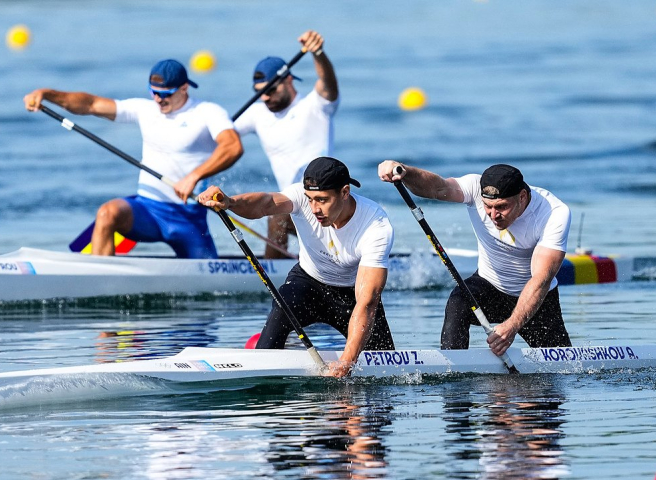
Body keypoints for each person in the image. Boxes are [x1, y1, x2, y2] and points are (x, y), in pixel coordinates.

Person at [24, 59, 243, 258]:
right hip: (148, 210)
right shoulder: (145, 109)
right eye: (154, 92)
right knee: (108, 213)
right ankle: (100, 276)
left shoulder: (207, 112)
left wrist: (194, 176)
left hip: (189, 218)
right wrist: (47, 94)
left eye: (166, 94)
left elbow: (232, 146)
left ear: (184, 88)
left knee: (212, 278)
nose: (158, 99)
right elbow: (91, 104)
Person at [199, 156, 394, 377]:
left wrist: (346, 362)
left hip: (353, 296)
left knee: (387, 371)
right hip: (307, 284)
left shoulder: (375, 225)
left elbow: (367, 302)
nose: (314, 208)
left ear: (345, 192)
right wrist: (230, 202)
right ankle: (261, 369)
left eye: (322, 200)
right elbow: (265, 203)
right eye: (310, 199)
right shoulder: (299, 197)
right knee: (282, 304)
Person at [378, 160, 572, 357]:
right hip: (488, 286)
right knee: (458, 301)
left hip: (536, 299)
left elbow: (541, 279)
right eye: (487, 206)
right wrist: (406, 172)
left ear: (522, 197)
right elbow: (438, 188)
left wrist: (512, 325)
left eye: (502, 207)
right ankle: (453, 368)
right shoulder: (474, 187)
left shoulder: (553, 213)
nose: (493, 215)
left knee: (563, 364)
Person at [234, 30, 339, 259]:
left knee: (277, 214)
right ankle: (281, 265)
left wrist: (318, 54)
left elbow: (328, 84)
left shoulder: (315, 107)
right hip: (296, 204)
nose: (265, 97)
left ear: (288, 80)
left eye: (270, 90)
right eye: (259, 93)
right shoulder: (257, 114)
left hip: (326, 204)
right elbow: (221, 136)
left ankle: (270, 270)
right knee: (278, 210)